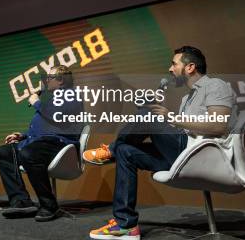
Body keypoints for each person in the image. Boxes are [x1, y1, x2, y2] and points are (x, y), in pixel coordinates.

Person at [85, 46, 237, 240]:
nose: (170, 69)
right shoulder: (186, 98)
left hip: (201, 155)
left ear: (190, 67)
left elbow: (219, 127)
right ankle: (126, 225)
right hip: (182, 156)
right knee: (126, 150)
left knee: (148, 114)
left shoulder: (215, 85)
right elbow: (182, 130)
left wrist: (168, 117)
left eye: (174, 64)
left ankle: (110, 151)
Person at [0, 65, 85, 222]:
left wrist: (37, 102)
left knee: (29, 153)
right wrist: (23, 136)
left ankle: (49, 205)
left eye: (49, 78)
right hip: (41, 142)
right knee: (4, 152)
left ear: (61, 80)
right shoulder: (52, 99)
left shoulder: (73, 95)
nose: (45, 81)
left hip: (59, 143)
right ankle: (21, 202)